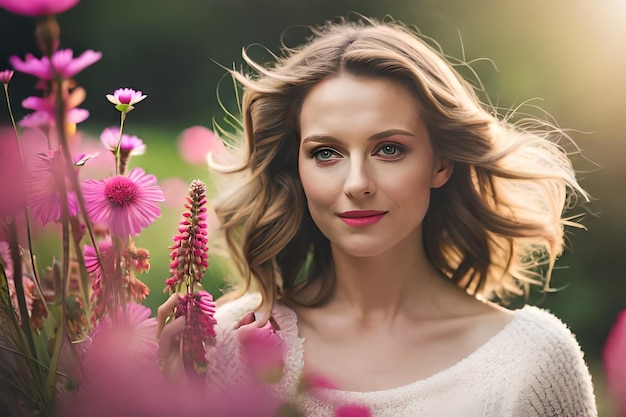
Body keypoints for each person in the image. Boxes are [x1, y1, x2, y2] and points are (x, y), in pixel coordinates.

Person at [157, 16, 598, 416]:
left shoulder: (530, 362)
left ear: (440, 163)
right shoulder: (229, 342)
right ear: (298, 168)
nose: (357, 182)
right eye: (325, 153)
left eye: (389, 149)